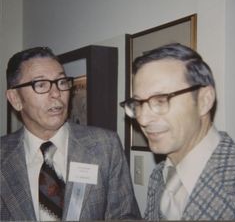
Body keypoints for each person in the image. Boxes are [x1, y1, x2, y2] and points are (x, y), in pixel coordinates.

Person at [1, 46, 141, 221]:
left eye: (61, 82)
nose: (56, 93)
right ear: (15, 99)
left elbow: (125, 216)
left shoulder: (105, 146)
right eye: (41, 84)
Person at [120, 43, 235, 220]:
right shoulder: (159, 175)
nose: (142, 120)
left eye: (160, 100)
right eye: (139, 104)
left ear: (204, 100)